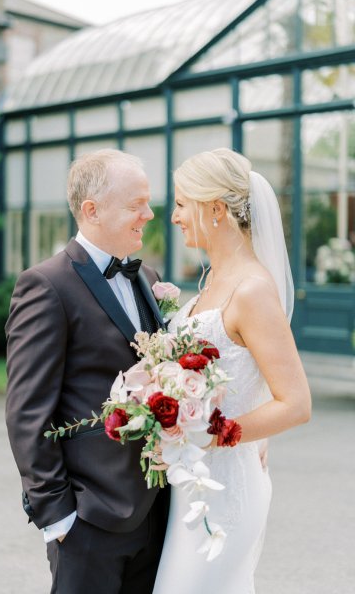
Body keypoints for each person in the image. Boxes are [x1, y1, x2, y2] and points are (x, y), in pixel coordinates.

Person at [5, 149, 169, 594]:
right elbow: (26, 413)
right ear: (91, 210)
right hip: (89, 520)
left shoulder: (150, 279)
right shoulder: (45, 285)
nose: (150, 214)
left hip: (158, 513)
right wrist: (58, 517)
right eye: (136, 204)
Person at [153, 148, 311, 594]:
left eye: (183, 204)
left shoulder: (253, 290)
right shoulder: (210, 281)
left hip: (226, 494)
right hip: (193, 489)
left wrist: (216, 433)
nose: (175, 217)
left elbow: (296, 404)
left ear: (216, 209)